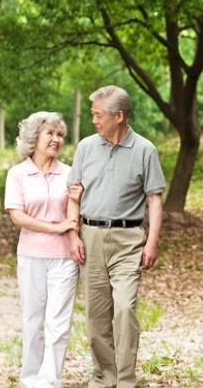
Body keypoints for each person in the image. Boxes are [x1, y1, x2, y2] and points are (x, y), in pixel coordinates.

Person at [66, 85, 165, 388]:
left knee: (124, 309)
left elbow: (155, 199)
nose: (94, 120)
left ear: (118, 116)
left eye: (98, 115)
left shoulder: (145, 150)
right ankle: (103, 377)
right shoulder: (85, 147)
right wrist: (73, 234)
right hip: (91, 236)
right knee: (96, 317)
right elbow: (73, 194)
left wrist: (152, 242)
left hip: (128, 239)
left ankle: (125, 381)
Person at [4, 111, 80, 388]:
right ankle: (30, 380)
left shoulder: (70, 173)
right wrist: (55, 228)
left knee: (58, 324)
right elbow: (17, 217)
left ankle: (49, 382)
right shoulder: (18, 174)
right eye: (50, 133)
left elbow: (74, 214)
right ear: (34, 138)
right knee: (33, 321)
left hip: (64, 259)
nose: (56, 139)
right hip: (31, 255)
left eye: (60, 134)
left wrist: (70, 234)